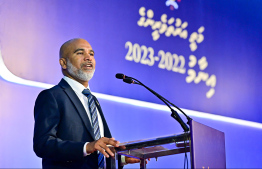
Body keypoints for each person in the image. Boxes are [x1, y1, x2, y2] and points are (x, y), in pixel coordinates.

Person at [33, 38, 140, 168]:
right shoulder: (52, 96)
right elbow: (43, 144)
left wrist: (121, 157)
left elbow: (102, 147)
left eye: (91, 54)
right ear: (63, 63)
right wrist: (86, 147)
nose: (88, 58)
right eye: (80, 53)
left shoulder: (92, 99)